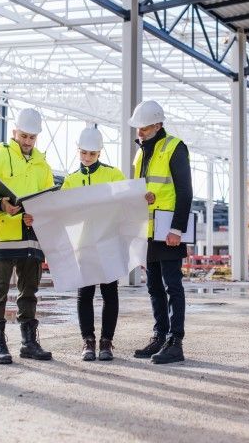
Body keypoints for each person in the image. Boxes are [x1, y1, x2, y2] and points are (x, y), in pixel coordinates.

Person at [0, 108, 54, 363]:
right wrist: (0, 204)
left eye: (32, 137)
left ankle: (29, 342)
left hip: (31, 235)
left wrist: (39, 214)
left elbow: (48, 201)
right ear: (14, 132)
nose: (27, 141)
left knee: (29, 291)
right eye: (24, 136)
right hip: (4, 234)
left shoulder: (42, 166)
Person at [128, 101, 193, 364]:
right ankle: (160, 335)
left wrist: (177, 229)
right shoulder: (140, 154)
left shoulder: (174, 147)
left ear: (157, 125)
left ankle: (175, 341)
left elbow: (185, 191)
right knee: (154, 287)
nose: (139, 132)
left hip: (168, 230)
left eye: (143, 127)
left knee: (172, 285)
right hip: (148, 230)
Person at [61, 126, 125, 361]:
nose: (87, 158)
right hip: (84, 245)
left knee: (110, 293)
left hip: (108, 243)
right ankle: (88, 342)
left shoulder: (113, 175)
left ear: (100, 153)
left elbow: (125, 205)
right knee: (85, 294)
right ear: (78, 150)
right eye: (84, 153)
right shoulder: (70, 180)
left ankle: (106, 342)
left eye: (93, 154)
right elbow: (62, 214)